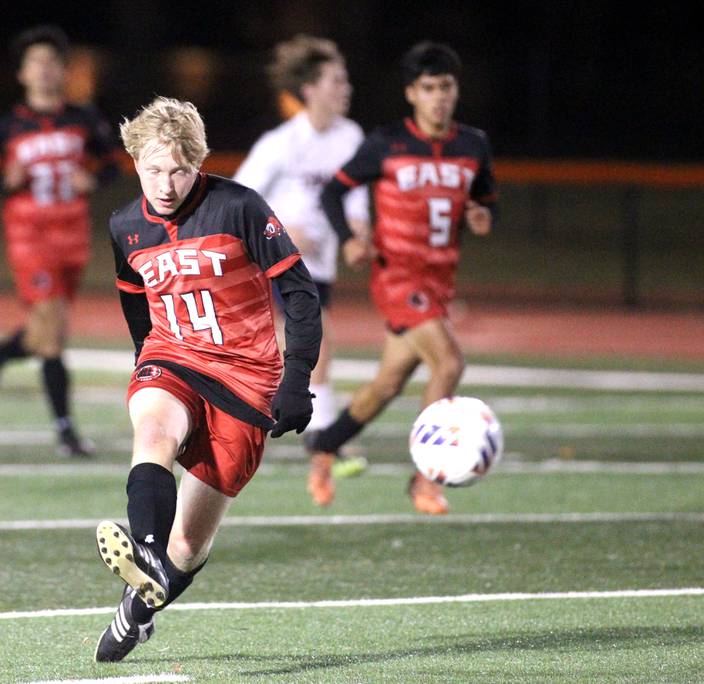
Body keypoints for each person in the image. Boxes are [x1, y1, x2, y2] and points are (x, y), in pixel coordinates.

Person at [93, 97, 321, 662]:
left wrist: (295, 380)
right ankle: (144, 553)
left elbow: (300, 294)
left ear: (199, 164)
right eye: (152, 169)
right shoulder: (125, 225)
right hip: (173, 358)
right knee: (152, 434)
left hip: (246, 380)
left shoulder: (238, 207)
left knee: (190, 545)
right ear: (135, 162)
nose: (164, 184)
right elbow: (137, 308)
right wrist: (145, 365)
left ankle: (141, 603)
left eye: (178, 169)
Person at [308, 41, 498, 513]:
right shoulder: (387, 143)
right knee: (449, 364)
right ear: (412, 93)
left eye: (447, 87)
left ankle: (324, 449)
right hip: (397, 278)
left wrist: (483, 217)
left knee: (387, 384)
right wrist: (348, 239)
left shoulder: (473, 144)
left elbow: (487, 201)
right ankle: (425, 476)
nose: (439, 97)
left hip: (438, 281)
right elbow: (333, 192)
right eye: (429, 88)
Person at [233, 35, 370, 498]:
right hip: (279, 261)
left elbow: (356, 194)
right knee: (318, 344)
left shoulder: (351, 137)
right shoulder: (281, 143)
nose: (346, 86)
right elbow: (238, 198)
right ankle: (326, 443)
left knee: (284, 353)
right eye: (337, 78)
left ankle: (244, 426)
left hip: (321, 265)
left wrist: (356, 227)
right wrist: (285, 226)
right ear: (309, 88)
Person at [0, 25, 119, 456]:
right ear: (22, 73)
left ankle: (1, 350)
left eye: (52, 62)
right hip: (29, 235)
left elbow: (111, 164)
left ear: (62, 70)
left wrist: (91, 178)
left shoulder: (85, 118)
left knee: (42, 334)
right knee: (54, 337)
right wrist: (6, 180)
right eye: (36, 62)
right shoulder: (5, 127)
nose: (44, 69)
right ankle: (66, 430)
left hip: (71, 234)